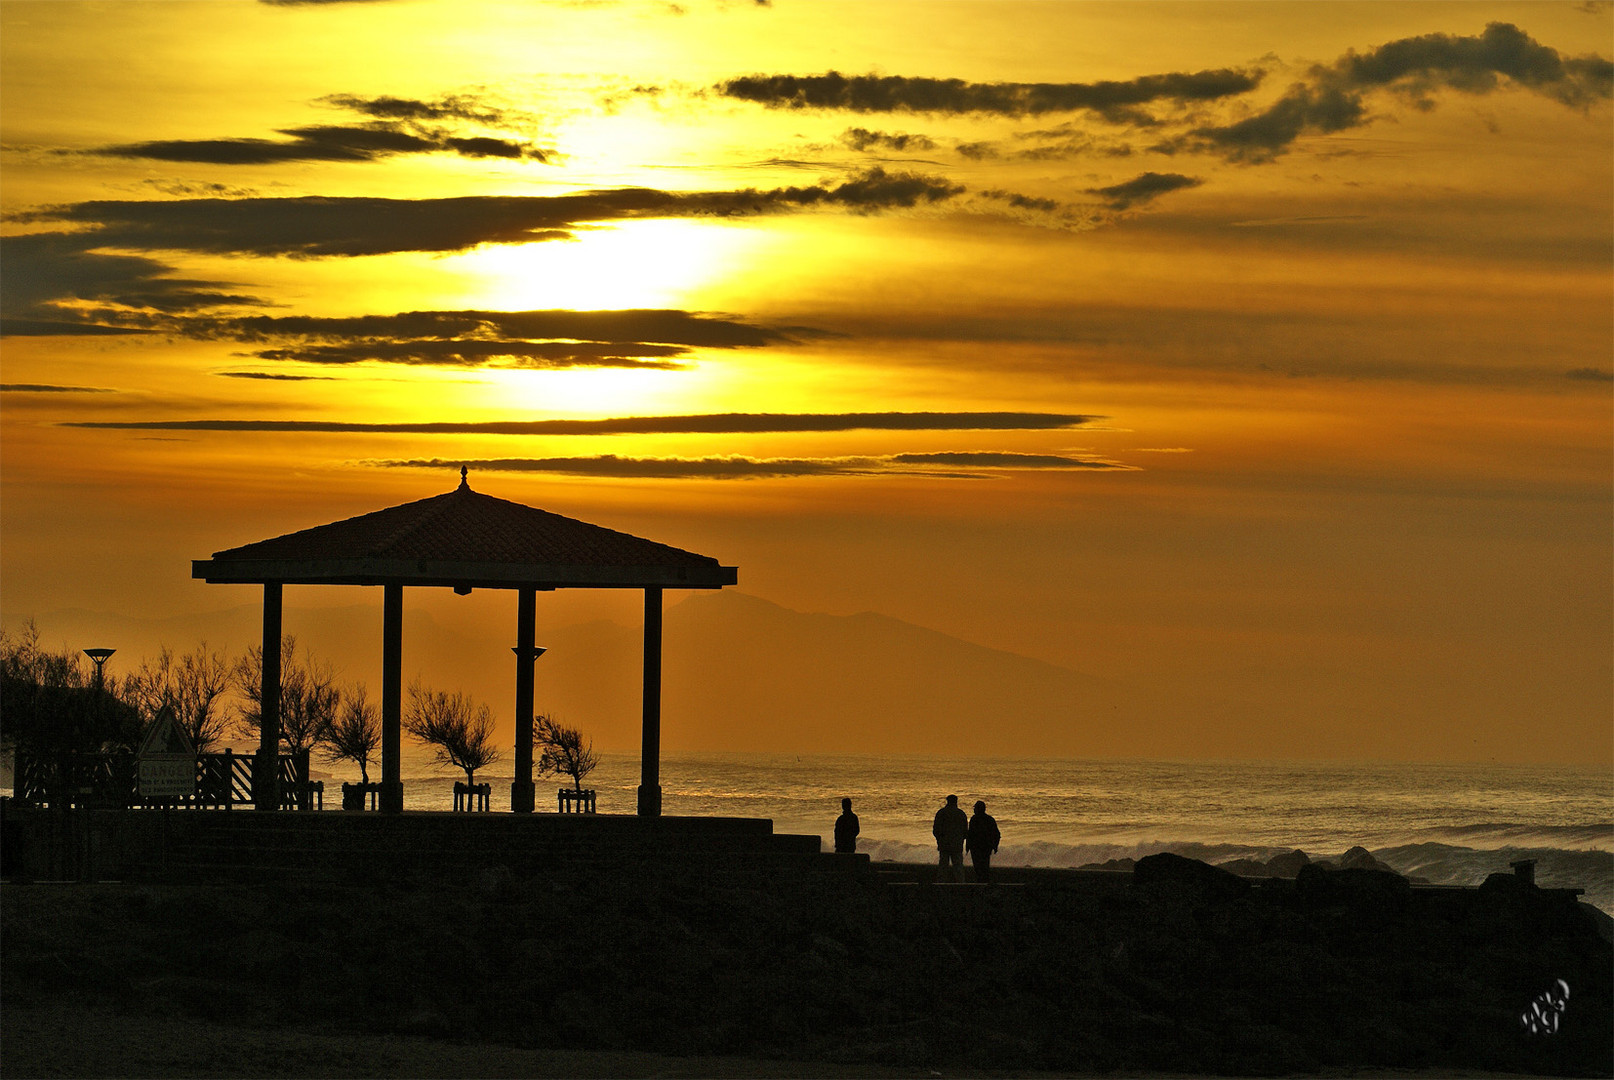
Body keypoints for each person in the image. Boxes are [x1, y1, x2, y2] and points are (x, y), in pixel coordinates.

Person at [932, 794, 968, 882]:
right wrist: (961, 839)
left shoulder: (941, 813)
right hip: (957, 844)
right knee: (958, 866)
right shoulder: (961, 813)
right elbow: (965, 831)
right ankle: (960, 884)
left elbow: (936, 830)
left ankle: (941, 884)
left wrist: (939, 840)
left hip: (944, 844)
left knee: (943, 866)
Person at [966, 800, 1001, 883]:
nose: (974, 810)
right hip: (986, 847)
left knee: (978, 866)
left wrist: (968, 846)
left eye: (975, 808)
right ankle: (984, 881)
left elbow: (970, 834)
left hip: (976, 847)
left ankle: (980, 881)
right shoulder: (989, 819)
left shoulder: (974, 819)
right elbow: (996, 834)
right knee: (984, 865)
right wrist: (995, 846)